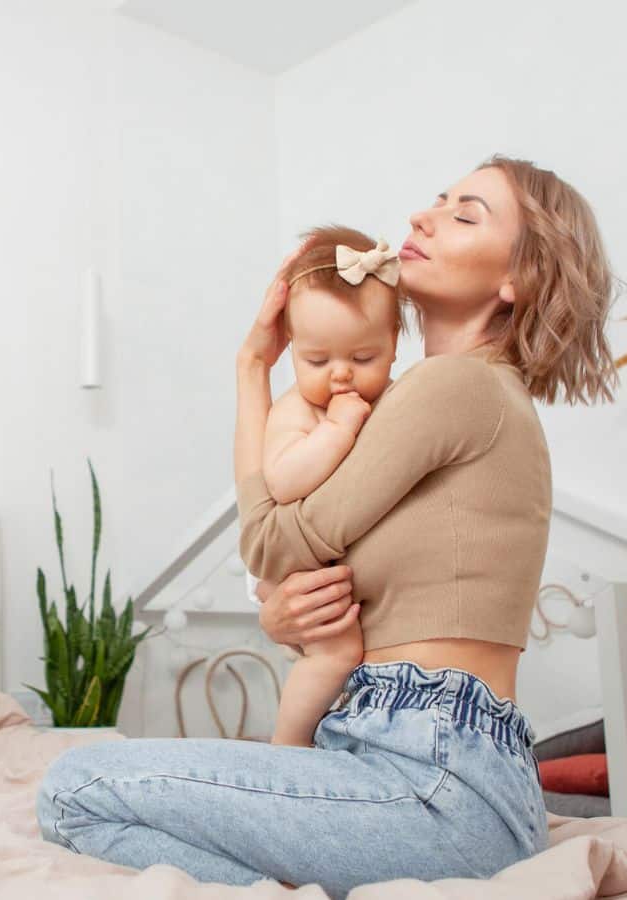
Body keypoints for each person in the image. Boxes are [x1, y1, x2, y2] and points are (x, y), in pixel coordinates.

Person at [35, 155, 618, 895]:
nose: (423, 216)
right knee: (92, 808)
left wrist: (253, 372)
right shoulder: (410, 400)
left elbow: (269, 537)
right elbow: (299, 563)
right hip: (403, 759)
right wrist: (285, 616)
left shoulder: (458, 385)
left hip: (437, 778)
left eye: (466, 214)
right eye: (436, 198)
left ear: (519, 281)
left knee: (72, 787)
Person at [256, 225, 403, 748]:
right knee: (336, 654)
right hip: (303, 571)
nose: (340, 375)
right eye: (316, 361)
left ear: (395, 345)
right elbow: (283, 479)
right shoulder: (299, 408)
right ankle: (288, 750)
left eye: (364, 358)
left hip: (339, 566)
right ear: (293, 349)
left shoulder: (400, 403)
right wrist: (338, 429)